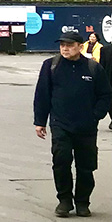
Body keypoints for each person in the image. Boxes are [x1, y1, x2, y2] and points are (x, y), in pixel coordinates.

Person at [34, 30, 112, 218]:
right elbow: (42, 95)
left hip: (86, 126)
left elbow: (105, 94)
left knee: (86, 166)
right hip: (60, 124)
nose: (65, 49)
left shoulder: (93, 68)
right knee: (61, 161)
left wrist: (96, 115)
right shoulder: (51, 66)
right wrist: (40, 121)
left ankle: (83, 202)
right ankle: (64, 200)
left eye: (69, 45)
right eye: (62, 45)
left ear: (80, 47)